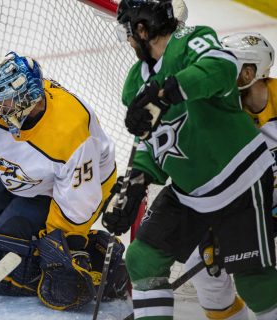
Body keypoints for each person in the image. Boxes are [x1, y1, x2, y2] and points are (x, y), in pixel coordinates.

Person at [102, 1, 277, 319]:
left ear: (141, 30)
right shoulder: (133, 84)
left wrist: (167, 92)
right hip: (190, 193)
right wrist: (136, 184)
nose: (127, 41)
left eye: (126, 32)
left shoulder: (191, 41)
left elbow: (221, 68)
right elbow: (153, 141)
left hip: (240, 177)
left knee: (255, 284)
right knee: (143, 258)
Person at [0, 51, 127, 310]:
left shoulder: (70, 131)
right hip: (21, 175)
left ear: (30, 97)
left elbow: (79, 199)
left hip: (68, 190)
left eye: (6, 102)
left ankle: (97, 256)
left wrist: (67, 245)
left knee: (10, 242)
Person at [183, 32, 277, 320]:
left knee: (259, 277)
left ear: (252, 72)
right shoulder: (216, 109)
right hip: (244, 203)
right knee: (194, 257)